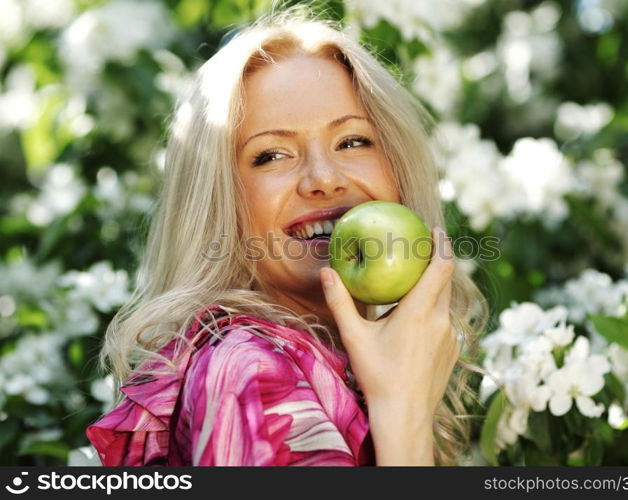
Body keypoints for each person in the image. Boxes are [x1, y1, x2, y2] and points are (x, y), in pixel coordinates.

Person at [86, 6, 487, 466]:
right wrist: (404, 415)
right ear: (220, 203)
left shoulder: (359, 364)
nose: (324, 178)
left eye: (353, 141)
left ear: (397, 166)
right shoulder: (252, 372)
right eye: (272, 154)